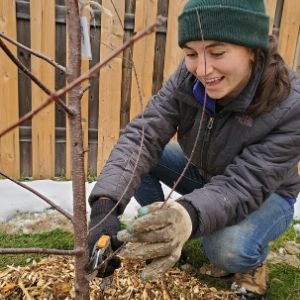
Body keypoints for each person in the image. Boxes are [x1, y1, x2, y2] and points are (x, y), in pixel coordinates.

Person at [87, 0, 300, 299]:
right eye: (190, 53)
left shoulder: (290, 104)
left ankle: (252, 262)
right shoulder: (187, 80)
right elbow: (142, 137)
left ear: (253, 49)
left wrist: (187, 214)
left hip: (268, 193)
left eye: (217, 52)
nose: (202, 69)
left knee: (223, 248)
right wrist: (105, 205)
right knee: (147, 156)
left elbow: (244, 184)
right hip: (207, 173)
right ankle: (160, 234)